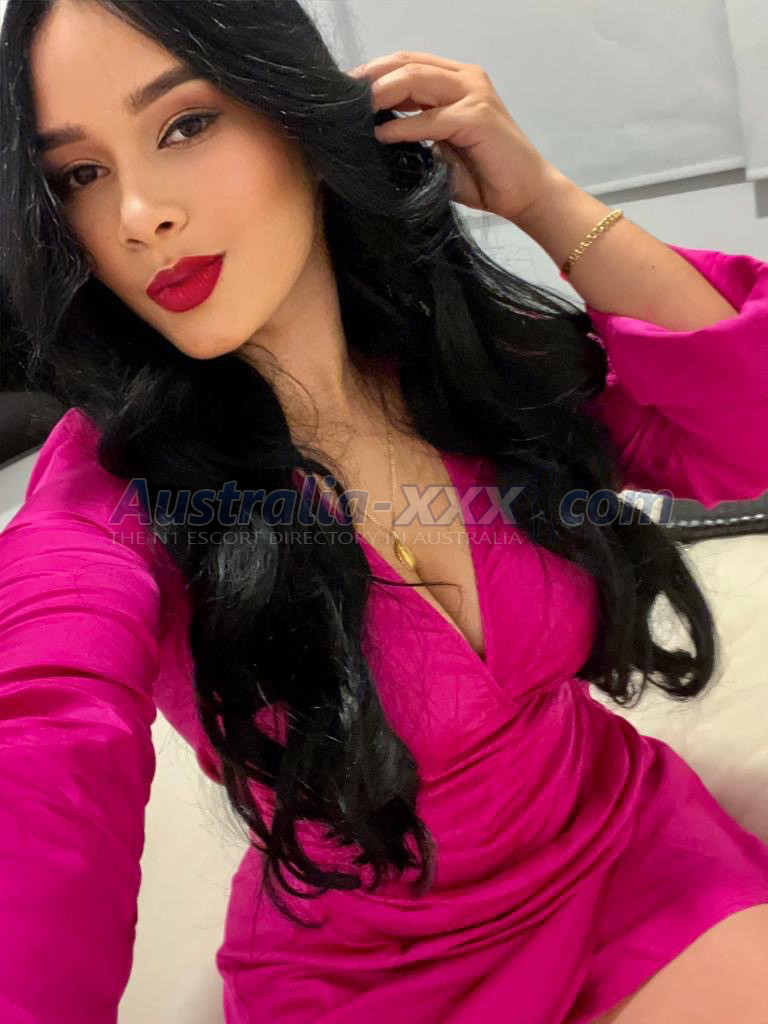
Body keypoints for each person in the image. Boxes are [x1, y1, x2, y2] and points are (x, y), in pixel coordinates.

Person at [1, 2, 767, 1022]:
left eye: (186, 123)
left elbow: (748, 429)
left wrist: (539, 197)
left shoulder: (462, 360)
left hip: (620, 853)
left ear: (299, 115)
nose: (138, 214)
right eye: (79, 176)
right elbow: (42, 734)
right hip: (373, 974)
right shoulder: (110, 488)